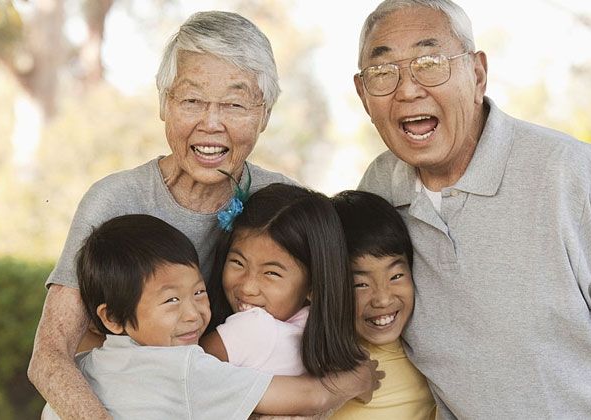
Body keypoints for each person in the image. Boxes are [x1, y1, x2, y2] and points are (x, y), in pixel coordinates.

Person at [353, 0, 591, 418]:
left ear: (477, 74)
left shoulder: (572, 176)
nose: (408, 89)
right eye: (383, 73)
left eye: (430, 62)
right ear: (363, 95)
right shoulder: (378, 192)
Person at [28, 11, 378, 419]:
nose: (211, 124)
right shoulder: (115, 201)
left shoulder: (283, 208)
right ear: (164, 105)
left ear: (264, 115)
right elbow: (50, 356)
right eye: (192, 100)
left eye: (234, 104)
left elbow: (316, 339)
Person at [39, 214, 378, 419]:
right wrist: (358, 379)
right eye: (171, 300)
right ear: (113, 318)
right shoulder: (185, 369)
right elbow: (310, 398)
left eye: (199, 292)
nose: (194, 314)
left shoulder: (81, 368)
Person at [200, 183, 365, 380]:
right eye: (238, 262)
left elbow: (181, 375)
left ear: (313, 286)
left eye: (271, 273)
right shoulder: (318, 337)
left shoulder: (250, 329)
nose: (248, 287)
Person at [330, 190, 436, 420]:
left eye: (396, 276)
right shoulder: (312, 359)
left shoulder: (430, 361)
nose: (383, 299)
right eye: (360, 284)